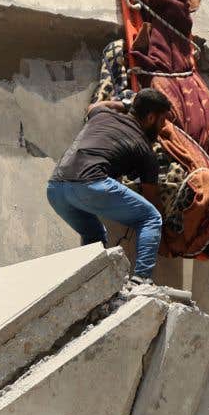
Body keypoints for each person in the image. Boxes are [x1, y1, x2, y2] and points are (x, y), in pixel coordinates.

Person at [46, 89, 173, 282]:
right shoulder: (144, 150)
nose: (164, 127)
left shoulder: (102, 114)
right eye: (162, 120)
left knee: (93, 234)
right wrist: (167, 227)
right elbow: (151, 199)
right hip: (89, 184)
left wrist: (125, 105)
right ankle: (141, 280)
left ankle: (90, 279)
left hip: (56, 189)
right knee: (151, 218)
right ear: (150, 117)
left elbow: (93, 106)